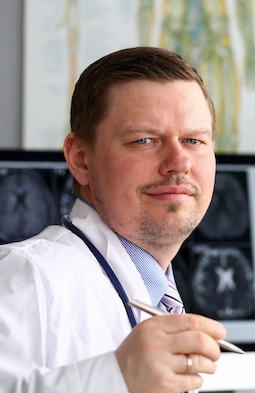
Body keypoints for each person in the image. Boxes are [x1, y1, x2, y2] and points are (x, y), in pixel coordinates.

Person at [0, 46, 226, 393]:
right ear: (81, 159)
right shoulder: (24, 277)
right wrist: (116, 379)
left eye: (193, 140)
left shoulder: (159, 297)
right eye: (144, 140)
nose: (179, 162)